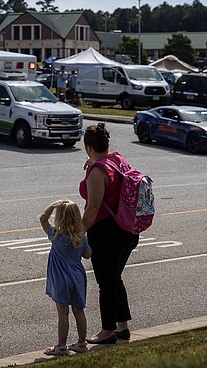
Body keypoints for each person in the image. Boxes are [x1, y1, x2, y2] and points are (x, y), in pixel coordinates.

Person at [79, 123, 140, 345]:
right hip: (128, 230)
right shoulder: (117, 159)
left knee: (106, 283)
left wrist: (79, 232)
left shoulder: (97, 172)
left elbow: (93, 207)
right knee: (115, 278)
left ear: (88, 147)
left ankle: (107, 331)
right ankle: (122, 327)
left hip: (107, 234)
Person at [40, 200, 92, 356]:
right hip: (77, 277)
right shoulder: (81, 236)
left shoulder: (55, 234)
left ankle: (61, 346)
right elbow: (88, 254)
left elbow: (43, 219)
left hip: (61, 278)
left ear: (59, 218)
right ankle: (82, 343)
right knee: (79, 310)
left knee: (63, 313)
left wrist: (52, 206)